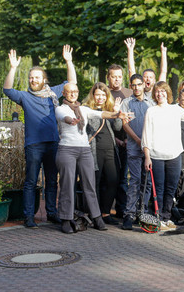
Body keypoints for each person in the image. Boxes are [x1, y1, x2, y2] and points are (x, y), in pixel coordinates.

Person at [3, 45, 77, 227]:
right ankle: (29, 216)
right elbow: (7, 90)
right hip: (34, 145)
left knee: (52, 181)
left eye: (36, 77)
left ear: (44, 79)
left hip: (53, 143)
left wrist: (69, 62)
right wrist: (13, 68)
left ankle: (52, 213)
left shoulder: (52, 94)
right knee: (30, 181)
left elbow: (71, 83)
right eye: (31, 78)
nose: (33, 80)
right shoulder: (24, 97)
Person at [55, 82, 128, 233]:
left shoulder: (83, 109)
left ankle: (96, 217)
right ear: (64, 93)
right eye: (70, 92)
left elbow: (101, 114)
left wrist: (116, 114)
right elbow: (65, 118)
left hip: (85, 150)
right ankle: (66, 219)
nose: (73, 94)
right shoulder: (60, 108)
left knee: (90, 184)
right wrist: (72, 120)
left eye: (75, 91)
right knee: (67, 185)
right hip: (67, 149)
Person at [142, 81, 184, 231]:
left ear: (168, 93)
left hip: (174, 155)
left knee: (171, 188)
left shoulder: (176, 109)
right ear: (154, 94)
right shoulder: (151, 111)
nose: (160, 94)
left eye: (163, 91)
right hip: (156, 156)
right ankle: (158, 217)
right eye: (157, 92)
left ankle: (167, 217)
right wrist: (147, 156)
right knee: (158, 189)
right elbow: (146, 136)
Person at [119, 74, 155, 230]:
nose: (136, 87)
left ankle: (143, 212)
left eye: (139, 84)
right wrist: (138, 140)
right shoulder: (126, 103)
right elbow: (125, 124)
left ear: (143, 85)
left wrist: (147, 142)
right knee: (134, 181)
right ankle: (129, 214)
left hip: (150, 149)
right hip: (134, 147)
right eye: (133, 85)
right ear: (131, 86)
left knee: (146, 182)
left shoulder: (151, 103)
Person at [85, 82, 123, 225]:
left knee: (113, 180)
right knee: (95, 182)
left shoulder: (109, 109)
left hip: (110, 149)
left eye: (103, 95)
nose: (100, 98)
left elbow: (118, 127)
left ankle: (106, 212)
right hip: (94, 150)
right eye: (97, 95)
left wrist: (116, 113)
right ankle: (94, 214)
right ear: (93, 96)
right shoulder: (87, 109)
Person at [106, 62, 132, 222]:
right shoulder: (104, 93)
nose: (117, 80)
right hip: (110, 142)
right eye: (113, 77)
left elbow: (132, 116)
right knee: (110, 177)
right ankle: (106, 209)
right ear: (108, 77)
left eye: (119, 77)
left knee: (124, 178)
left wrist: (129, 138)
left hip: (128, 141)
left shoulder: (128, 93)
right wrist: (116, 140)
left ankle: (122, 209)